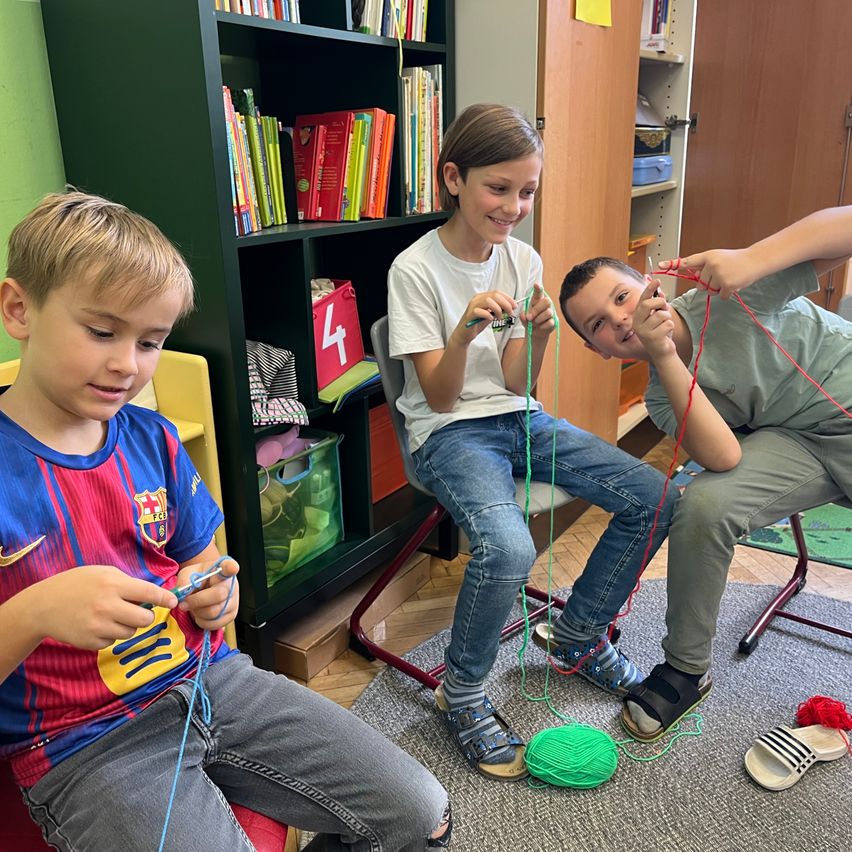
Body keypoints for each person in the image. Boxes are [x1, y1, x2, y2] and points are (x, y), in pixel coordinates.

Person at [0, 191, 451, 851]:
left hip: (215, 682)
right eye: (101, 331)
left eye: (150, 341)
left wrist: (214, 585)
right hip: (84, 743)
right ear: (19, 309)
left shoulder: (151, 439)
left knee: (421, 815)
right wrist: (36, 612)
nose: (128, 364)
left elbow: (200, 558)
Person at [387, 104, 678, 781]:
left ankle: (577, 635)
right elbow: (436, 397)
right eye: (499, 188)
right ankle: (460, 693)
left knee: (660, 495)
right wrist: (461, 334)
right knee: (509, 547)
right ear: (454, 178)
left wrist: (542, 334)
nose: (514, 206)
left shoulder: (521, 258)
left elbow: (517, 382)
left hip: (518, 418)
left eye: (527, 191)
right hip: (449, 433)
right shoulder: (414, 270)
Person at [559, 205, 852, 742]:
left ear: (652, 286)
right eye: (599, 324)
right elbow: (723, 459)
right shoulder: (659, 397)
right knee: (703, 505)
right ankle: (685, 670)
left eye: (622, 297)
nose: (620, 319)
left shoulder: (726, 297)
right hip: (798, 443)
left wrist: (752, 259)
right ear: (595, 350)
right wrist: (665, 354)